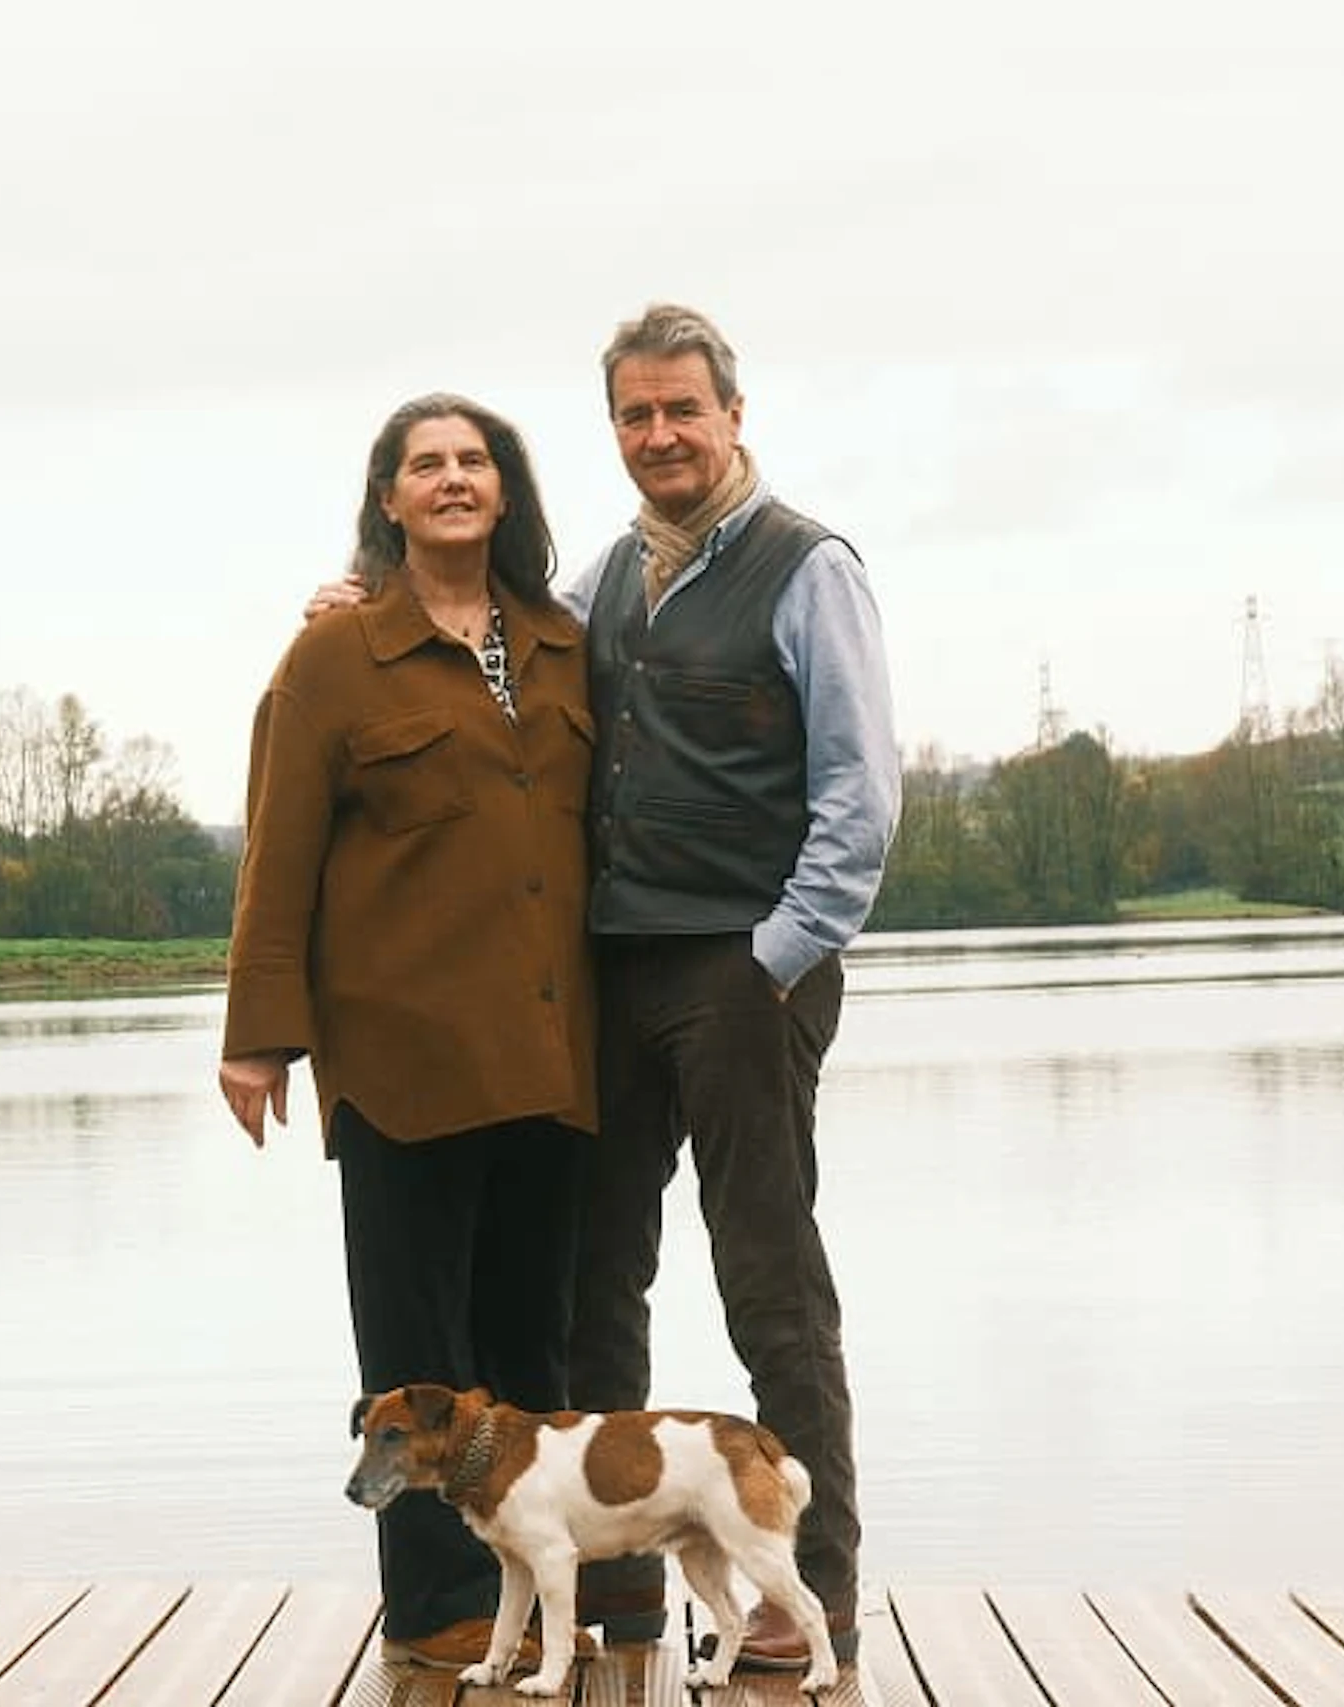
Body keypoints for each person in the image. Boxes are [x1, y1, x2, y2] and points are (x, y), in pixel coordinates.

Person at [305, 305, 899, 1672]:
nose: (660, 435)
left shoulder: (810, 568)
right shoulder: (606, 579)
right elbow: (482, 627)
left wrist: (775, 956)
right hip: (611, 973)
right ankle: (624, 1585)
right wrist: (360, 592)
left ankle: (816, 1586)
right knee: (593, 1284)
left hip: (749, 968)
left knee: (772, 1283)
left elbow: (863, 797)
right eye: (635, 415)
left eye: (684, 409)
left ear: (733, 414)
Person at [220, 393, 599, 1672]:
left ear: (507, 493)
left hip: (549, 1063)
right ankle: (433, 1599)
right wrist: (257, 1037)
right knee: (418, 1352)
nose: (451, 479)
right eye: (424, 464)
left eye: (473, 461)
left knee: (531, 1352)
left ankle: (538, 1599)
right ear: (387, 499)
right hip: (399, 1065)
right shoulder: (331, 658)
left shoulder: (561, 643)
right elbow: (277, 855)